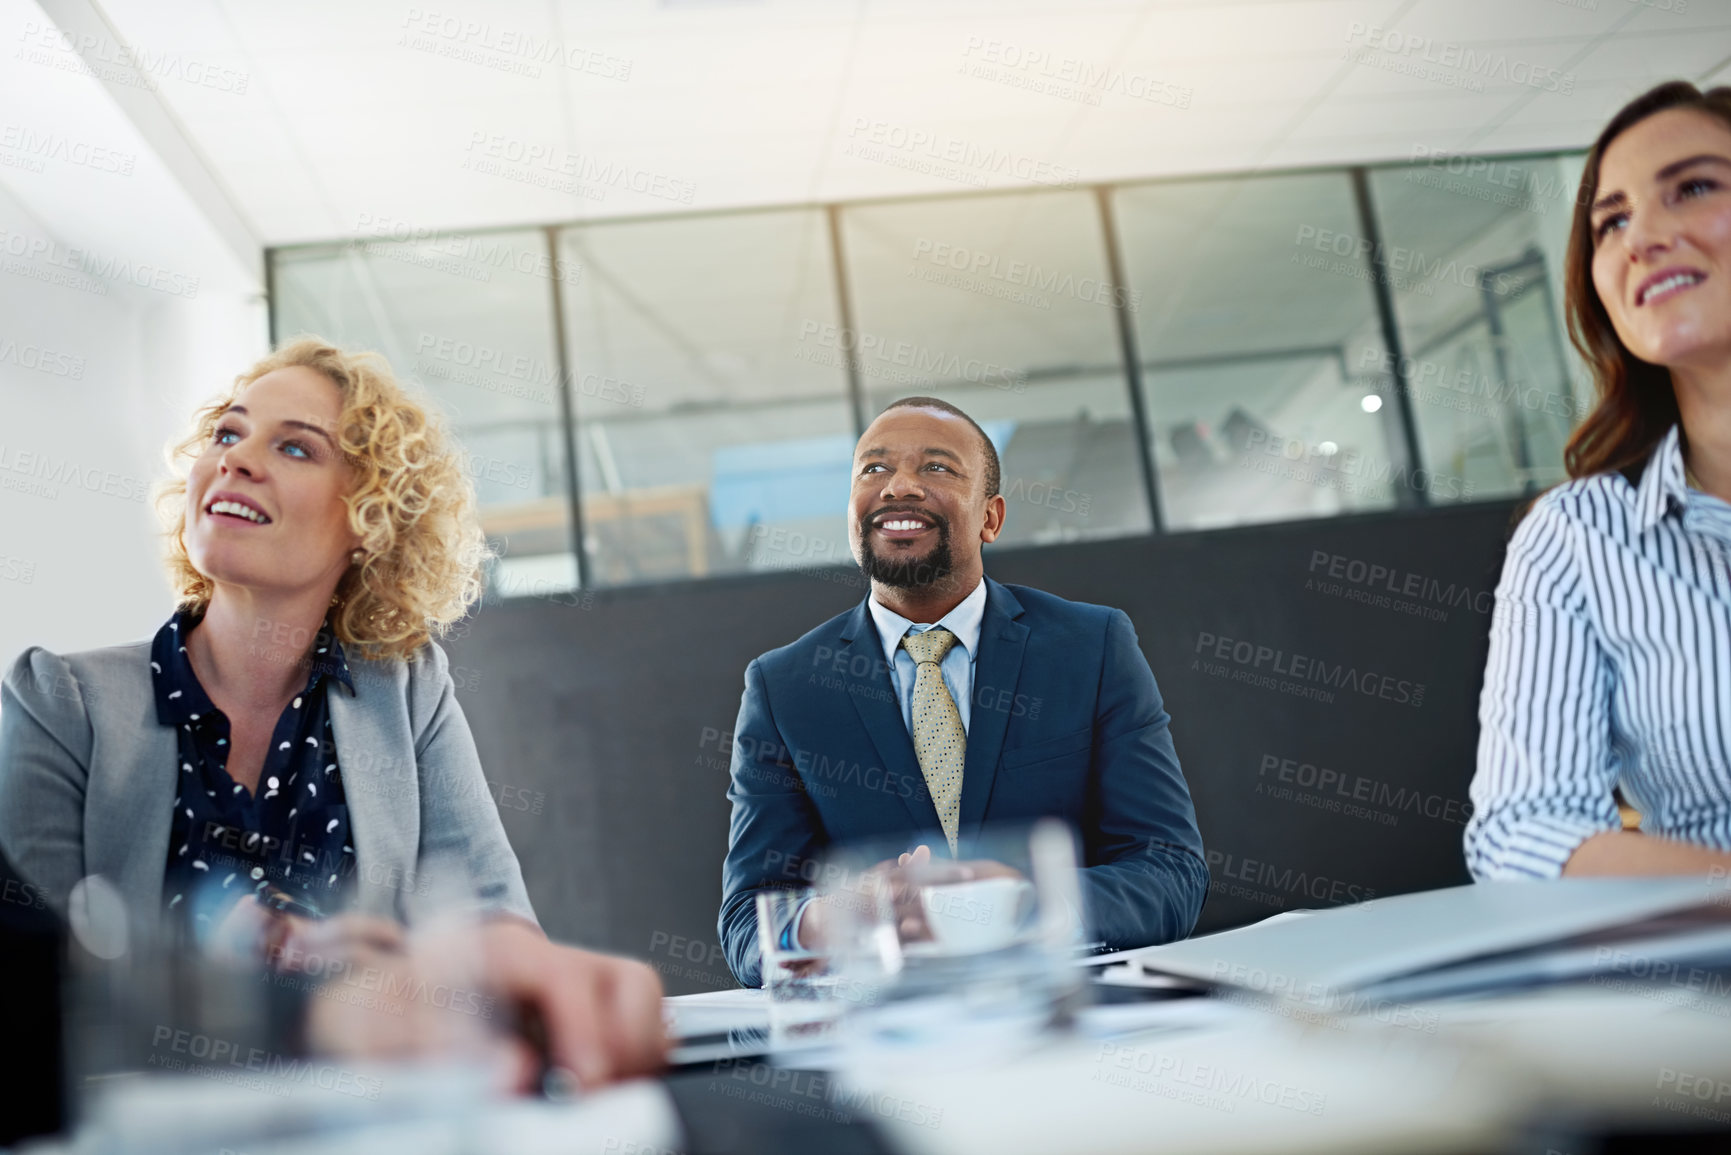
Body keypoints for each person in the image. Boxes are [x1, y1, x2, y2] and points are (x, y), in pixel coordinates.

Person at [0, 337, 665, 1085]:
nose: (238, 457)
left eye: (294, 447)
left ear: (368, 520)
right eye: (228, 432)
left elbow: (491, 914)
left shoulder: (406, 689)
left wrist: (508, 971)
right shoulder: (57, 699)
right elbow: (26, 995)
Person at [718, 396, 1207, 985]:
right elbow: (748, 925)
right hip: (891, 1043)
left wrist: (1025, 901)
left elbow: (1171, 871)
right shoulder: (784, 686)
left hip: (1072, 1022)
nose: (898, 486)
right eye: (873, 469)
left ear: (991, 518)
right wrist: (835, 916)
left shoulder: (1091, 647)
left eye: (936, 468)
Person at [1466, 82, 1731, 880]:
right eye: (1610, 221)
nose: (1640, 237)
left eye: (1692, 186)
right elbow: (1519, 833)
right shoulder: (1577, 538)